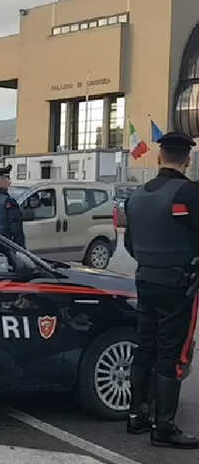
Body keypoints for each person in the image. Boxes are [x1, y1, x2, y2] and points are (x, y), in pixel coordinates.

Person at [125, 131, 199, 449]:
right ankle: (164, 427)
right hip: (179, 285)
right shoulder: (190, 193)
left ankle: (137, 415)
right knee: (173, 352)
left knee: (145, 347)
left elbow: (130, 244)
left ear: (159, 157)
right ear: (188, 159)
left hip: (145, 279)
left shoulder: (136, 196)